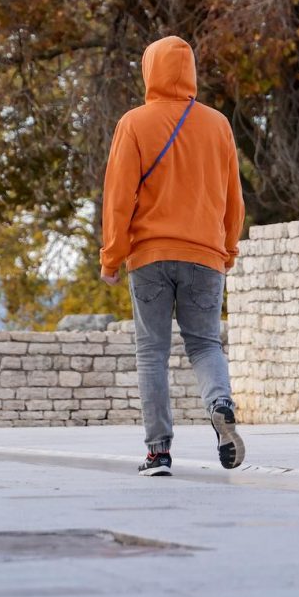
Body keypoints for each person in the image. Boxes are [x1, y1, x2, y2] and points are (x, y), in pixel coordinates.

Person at [99, 35, 246, 477]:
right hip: (205, 254)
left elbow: (119, 197)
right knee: (205, 344)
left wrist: (111, 257)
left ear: (150, 70)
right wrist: (228, 249)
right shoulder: (218, 124)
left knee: (152, 353)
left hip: (150, 256)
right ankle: (219, 402)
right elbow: (232, 196)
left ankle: (158, 452)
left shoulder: (134, 123)